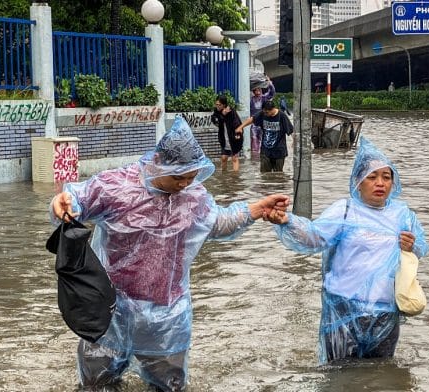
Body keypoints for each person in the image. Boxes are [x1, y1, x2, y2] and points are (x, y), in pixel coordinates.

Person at [49, 116, 289, 391]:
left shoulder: (193, 196)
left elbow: (217, 223)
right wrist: (62, 203)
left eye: (190, 177)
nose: (183, 184)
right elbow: (75, 201)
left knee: (170, 386)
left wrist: (258, 209)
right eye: (178, 177)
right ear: (159, 161)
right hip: (110, 310)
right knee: (96, 384)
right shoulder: (116, 187)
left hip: (166, 315)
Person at [264, 136, 429, 364]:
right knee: (338, 376)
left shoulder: (403, 215)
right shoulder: (344, 210)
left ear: (394, 183)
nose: (380, 183)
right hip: (342, 308)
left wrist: (412, 246)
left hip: (385, 311)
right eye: (372, 177)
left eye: (386, 177)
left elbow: (420, 249)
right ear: (358, 182)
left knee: (380, 375)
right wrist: (286, 221)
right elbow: (314, 237)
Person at [235, 100, 293, 173]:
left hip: (279, 151)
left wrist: (294, 141)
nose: (265, 114)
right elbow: (252, 119)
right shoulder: (263, 113)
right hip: (265, 151)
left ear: (272, 109)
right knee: (264, 174)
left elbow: (291, 130)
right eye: (264, 112)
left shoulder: (282, 116)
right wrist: (240, 127)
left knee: (278, 175)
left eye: (267, 112)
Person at [211, 95, 243, 172]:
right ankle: (224, 174)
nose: (218, 106)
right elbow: (216, 121)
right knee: (224, 157)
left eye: (220, 105)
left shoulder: (231, 111)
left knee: (234, 157)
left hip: (233, 137)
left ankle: (235, 177)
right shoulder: (216, 112)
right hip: (224, 137)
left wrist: (238, 134)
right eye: (217, 104)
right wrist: (222, 115)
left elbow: (237, 123)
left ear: (224, 105)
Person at [249, 75, 275, 155]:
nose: (257, 92)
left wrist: (269, 83)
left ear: (261, 91)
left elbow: (272, 92)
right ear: (253, 92)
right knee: (254, 138)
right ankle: (255, 155)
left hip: (264, 122)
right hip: (254, 123)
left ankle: (264, 153)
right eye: (255, 91)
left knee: (264, 138)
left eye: (259, 90)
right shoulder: (251, 100)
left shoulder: (264, 98)